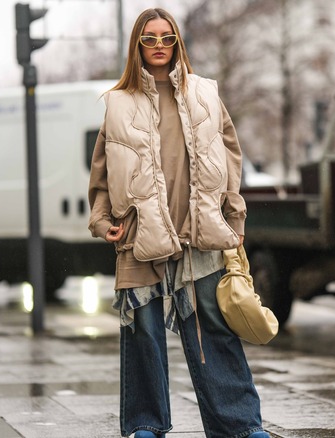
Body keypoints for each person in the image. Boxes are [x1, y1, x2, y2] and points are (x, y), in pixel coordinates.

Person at [87, 7, 270, 438]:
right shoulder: (118, 104)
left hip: (199, 233)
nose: (158, 46)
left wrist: (234, 213)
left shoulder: (205, 93)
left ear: (177, 43)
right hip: (139, 235)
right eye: (149, 39)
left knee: (214, 331)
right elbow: (101, 175)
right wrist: (101, 222)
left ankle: (240, 426)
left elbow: (230, 156)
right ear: (137, 45)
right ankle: (145, 425)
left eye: (166, 38)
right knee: (143, 333)